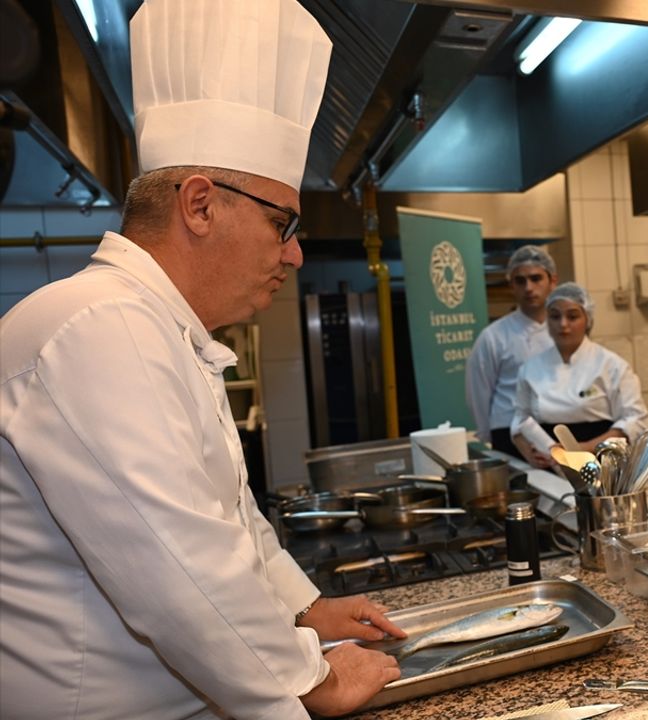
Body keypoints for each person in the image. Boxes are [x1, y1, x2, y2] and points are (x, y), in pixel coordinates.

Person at [0, 2, 404, 718]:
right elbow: (181, 567)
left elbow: (228, 520)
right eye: (282, 223)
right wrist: (311, 679)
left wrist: (304, 609)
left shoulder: (166, 332)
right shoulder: (99, 327)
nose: (294, 255)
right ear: (200, 205)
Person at [510, 282, 648, 468]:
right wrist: (530, 454)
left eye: (572, 316)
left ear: (588, 319)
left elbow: (636, 420)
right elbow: (519, 420)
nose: (563, 324)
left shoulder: (611, 365)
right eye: (555, 316)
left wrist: (585, 448)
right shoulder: (530, 369)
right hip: (551, 465)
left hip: (602, 464)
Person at [466, 245, 558, 456]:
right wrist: (489, 434)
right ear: (511, 286)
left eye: (536, 278)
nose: (528, 288)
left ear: (552, 281)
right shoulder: (493, 336)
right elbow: (478, 393)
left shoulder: (565, 332)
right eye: (520, 281)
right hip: (507, 432)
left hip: (555, 431)